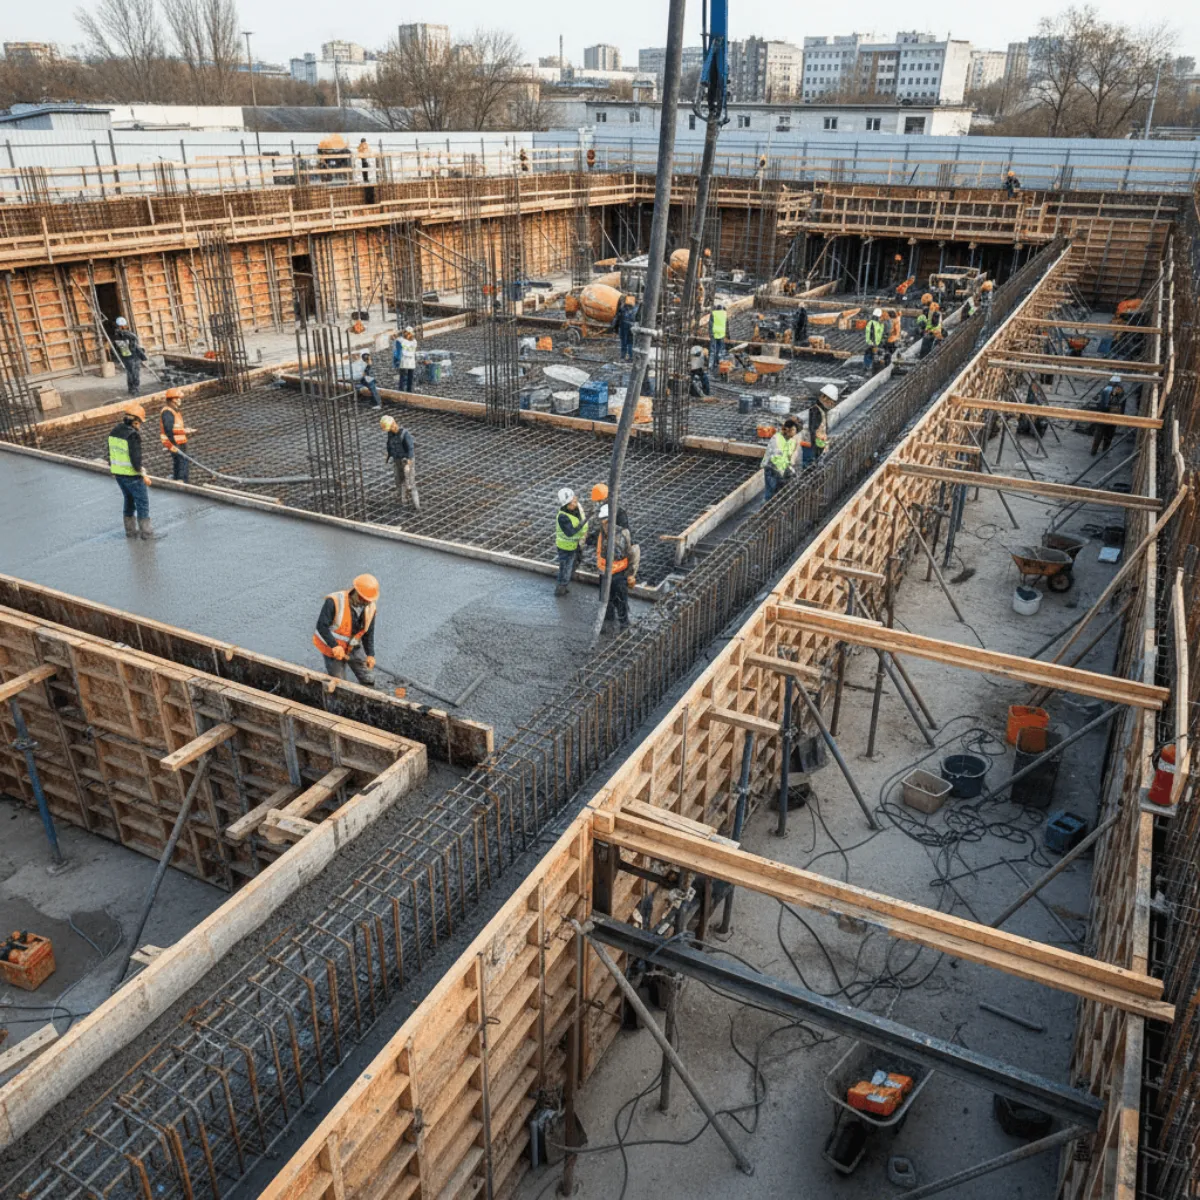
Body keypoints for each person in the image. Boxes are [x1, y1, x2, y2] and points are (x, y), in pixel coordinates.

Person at [106, 402, 166, 540]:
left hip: (119, 475)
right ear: (136, 421)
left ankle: (130, 532)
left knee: (128, 501)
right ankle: (147, 534)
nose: (140, 425)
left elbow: (110, 454)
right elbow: (135, 459)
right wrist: (142, 473)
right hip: (132, 475)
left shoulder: (114, 431)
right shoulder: (132, 435)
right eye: (140, 422)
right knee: (142, 503)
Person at [313, 574, 379, 686]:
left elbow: (368, 634)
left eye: (368, 600)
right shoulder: (334, 601)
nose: (364, 603)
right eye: (362, 599)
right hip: (333, 649)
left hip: (353, 647)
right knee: (341, 684)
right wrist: (334, 646)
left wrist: (370, 654)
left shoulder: (370, 608)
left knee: (369, 679)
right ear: (355, 591)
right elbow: (321, 626)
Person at [595, 504, 639, 633]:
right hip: (604, 574)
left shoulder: (623, 533)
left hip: (619, 574)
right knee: (606, 599)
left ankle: (624, 624)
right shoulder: (601, 533)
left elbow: (633, 553)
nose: (603, 523)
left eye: (605, 520)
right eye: (602, 521)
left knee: (620, 600)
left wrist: (631, 574)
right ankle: (608, 621)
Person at [554, 487, 589, 596]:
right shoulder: (563, 517)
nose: (575, 502)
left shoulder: (577, 507)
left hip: (575, 544)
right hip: (565, 547)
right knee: (565, 568)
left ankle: (564, 584)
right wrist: (584, 523)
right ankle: (561, 588)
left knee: (570, 566)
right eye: (572, 501)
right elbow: (571, 532)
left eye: (574, 499)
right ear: (566, 504)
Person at [380, 415, 419, 509]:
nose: (389, 429)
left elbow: (410, 449)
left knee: (410, 483)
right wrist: (388, 456)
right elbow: (389, 445)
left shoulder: (404, 434)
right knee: (399, 481)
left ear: (393, 424)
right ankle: (402, 503)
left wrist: (408, 464)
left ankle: (417, 506)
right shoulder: (390, 433)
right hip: (397, 460)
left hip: (406, 461)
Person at [158, 387, 195, 482]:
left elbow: (176, 427)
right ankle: (182, 481)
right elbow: (169, 429)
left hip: (179, 441)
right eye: (178, 398)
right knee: (182, 461)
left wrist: (184, 431)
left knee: (180, 461)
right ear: (172, 400)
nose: (180, 400)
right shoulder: (167, 412)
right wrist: (183, 432)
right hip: (174, 442)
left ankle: (178, 478)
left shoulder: (174, 410)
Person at [762, 417, 800, 498]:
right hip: (772, 468)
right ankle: (767, 506)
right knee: (771, 493)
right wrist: (785, 470)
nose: (794, 433)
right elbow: (775, 458)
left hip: (781, 469)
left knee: (780, 493)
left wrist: (790, 465)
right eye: (793, 430)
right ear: (786, 429)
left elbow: (790, 454)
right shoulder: (776, 438)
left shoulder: (791, 440)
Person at [111, 316, 147, 397]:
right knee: (135, 374)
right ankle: (135, 390)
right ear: (123, 325)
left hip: (126, 356)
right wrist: (141, 355)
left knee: (129, 373)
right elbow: (134, 345)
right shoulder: (128, 334)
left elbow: (121, 349)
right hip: (132, 356)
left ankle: (131, 389)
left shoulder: (116, 335)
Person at [1092, 375, 1127, 456]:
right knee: (1107, 435)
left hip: (1104, 416)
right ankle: (1104, 451)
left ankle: (1095, 451)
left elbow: (1099, 402)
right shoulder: (1119, 392)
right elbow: (1122, 406)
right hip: (1111, 417)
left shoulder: (1106, 389)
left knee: (1100, 434)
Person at [808, 384, 837, 463]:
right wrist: (823, 438)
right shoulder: (816, 411)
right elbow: (814, 430)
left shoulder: (820, 409)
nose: (832, 405)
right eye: (831, 402)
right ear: (824, 397)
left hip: (820, 445)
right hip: (818, 447)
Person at [393, 326, 418, 393]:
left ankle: (404, 390)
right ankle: (406, 390)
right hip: (408, 360)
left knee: (405, 376)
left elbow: (398, 349)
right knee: (407, 376)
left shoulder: (401, 340)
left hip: (406, 360)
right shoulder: (414, 341)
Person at [613, 295, 638, 361]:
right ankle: (630, 357)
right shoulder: (636, 308)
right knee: (630, 342)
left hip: (623, 325)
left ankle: (623, 357)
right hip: (632, 326)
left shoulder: (622, 308)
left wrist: (614, 327)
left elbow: (617, 317)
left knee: (623, 342)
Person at [709, 303, 728, 369]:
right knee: (720, 350)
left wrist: (710, 333)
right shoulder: (725, 314)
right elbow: (726, 324)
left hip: (714, 333)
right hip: (722, 334)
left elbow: (710, 324)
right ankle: (719, 363)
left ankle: (711, 365)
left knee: (712, 350)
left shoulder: (713, 314)